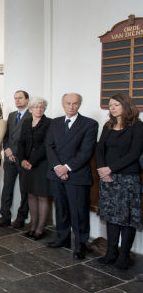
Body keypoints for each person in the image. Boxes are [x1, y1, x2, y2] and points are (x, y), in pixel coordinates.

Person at [46, 93, 98, 260]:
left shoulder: (90, 124)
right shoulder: (55, 123)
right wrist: (57, 168)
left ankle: (81, 244)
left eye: (75, 103)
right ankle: (62, 238)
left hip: (77, 175)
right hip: (56, 174)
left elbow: (86, 151)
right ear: (63, 104)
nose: (71, 106)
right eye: (68, 103)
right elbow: (49, 146)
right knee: (61, 208)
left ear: (80, 105)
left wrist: (67, 168)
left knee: (78, 212)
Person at [96, 93, 143, 270]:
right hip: (107, 179)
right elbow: (99, 149)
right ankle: (111, 252)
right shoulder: (108, 125)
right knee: (111, 217)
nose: (112, 107)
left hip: (127, 179)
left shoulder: (138, 127)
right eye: (110, 105)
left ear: (125, 105)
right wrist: (102, 170)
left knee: (127, 219)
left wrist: (111, 169)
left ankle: (124, 256)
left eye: (116, 104)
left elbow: (134, 153)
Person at [17, 97, 52, 240]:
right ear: (30, 109)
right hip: (27, 164)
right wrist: (22, 160)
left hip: (41, 164)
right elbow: (21, 143)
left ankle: (39, 229)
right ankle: (32, 226)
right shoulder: (26, 122)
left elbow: (46, 145)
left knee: (42, 196)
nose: (39, 109)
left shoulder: (49, 123)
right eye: (36, 107)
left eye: (42, 106)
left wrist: (32, 161)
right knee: (30, 194)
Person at [0, 90, 31, 228]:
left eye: (20, 98)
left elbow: (28, 139)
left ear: (27, 100)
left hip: (23, 158)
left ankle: (21, 218)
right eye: (15, 98)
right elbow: (6, 136)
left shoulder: (32, 114)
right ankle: (5, 217)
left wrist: (17, 153)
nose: (17, 100)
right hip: (9, 158)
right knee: (7, 187)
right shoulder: (11, 115)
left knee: (24, 190)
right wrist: (7, 149)